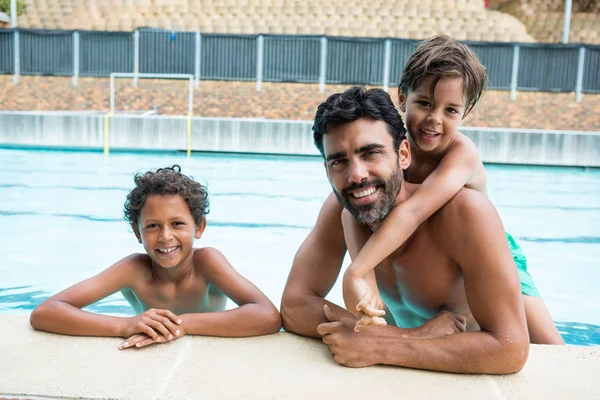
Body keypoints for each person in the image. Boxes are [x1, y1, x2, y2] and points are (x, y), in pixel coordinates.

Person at [282, 86, 535, 374]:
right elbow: (294, 305)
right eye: (339, 161)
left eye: (371, 153)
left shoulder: (464, 213)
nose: (356, 175)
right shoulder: (342, 209)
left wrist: (378, 347)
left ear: (403, 154)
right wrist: (408, 336)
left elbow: (510, 349)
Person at [339, 35, 563, 344]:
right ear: (402, 97)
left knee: (553, 348)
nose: (434, 120)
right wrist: (367, 281)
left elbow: (415, 211)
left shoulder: (461, 153)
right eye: (425, 103)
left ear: (466, 111)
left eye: (450, 110)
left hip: (494, 254)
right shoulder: (395, 148)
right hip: (426, 251)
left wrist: (357, 269)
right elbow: (356, 210)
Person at [30, 165, 281, 349]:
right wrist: (126, 325)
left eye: (177, 223)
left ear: (199, 227)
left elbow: (267, 316)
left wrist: (181, 324)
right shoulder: (133, 269)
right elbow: (45, 312)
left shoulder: (207, 263)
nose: (165, 236)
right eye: (152, 226)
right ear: (137, 232)